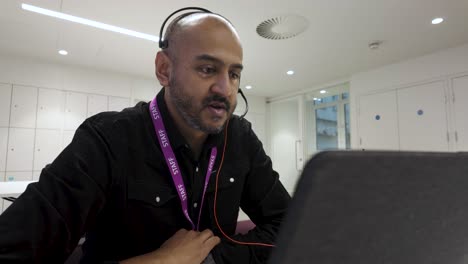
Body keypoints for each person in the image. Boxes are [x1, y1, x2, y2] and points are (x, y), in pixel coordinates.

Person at [0, 9, 290, 264]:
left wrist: (214, 259)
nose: (225, 89)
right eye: (207, 69)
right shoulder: (106, 140)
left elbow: (289, 224)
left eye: (234, 74)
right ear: (164, 69)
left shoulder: (241, 138)